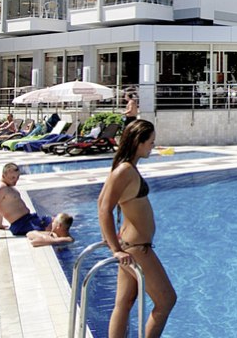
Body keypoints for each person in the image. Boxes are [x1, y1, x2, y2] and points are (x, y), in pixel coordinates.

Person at [98, 120, 176, 338]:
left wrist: (112, 240)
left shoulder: (126, 168)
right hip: (136, 249)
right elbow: (104, 208)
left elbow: (101, 201)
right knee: (166, 300)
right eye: (150, 142)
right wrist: (115, 249)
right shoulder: (124, 170)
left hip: (131, 246)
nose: (153, 146)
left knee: (124, 303)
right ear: (138, 142)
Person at [0, 163, 55, 240]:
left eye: (17, 177)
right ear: (3, 175)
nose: (15, 180)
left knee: (56, 220)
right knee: (54, 227)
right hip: (21, 224)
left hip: (29, 219)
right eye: (12, 177)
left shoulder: (8, 187)